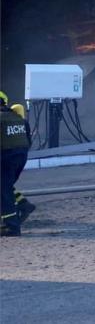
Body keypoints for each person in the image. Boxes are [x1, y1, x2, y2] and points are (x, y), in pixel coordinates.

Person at [1, 91, 32, 236]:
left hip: (5, 157)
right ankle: (23, 204)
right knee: (5, 185)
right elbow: (28, 141)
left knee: (3, 190)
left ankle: (11, 226)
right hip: (20, 157)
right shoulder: (18, 118)